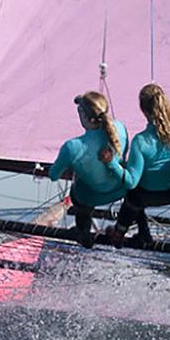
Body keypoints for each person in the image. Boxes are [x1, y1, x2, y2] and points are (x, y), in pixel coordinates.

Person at [100, 84, 170, 246]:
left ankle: (120, 232)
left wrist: (111, 163)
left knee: (132, 192)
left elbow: (131, 181)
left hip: (144, 196)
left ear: (143, 110)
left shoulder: (141, 141)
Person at [48, 91, 129, 248]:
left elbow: (53, 175)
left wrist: (72, 164)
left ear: (85, 117)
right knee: (133, 189)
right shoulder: (121, 129)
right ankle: (129, 230)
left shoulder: (72, 147)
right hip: (121, 189)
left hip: (92, 196)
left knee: (77, 193)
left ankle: (83, 233)